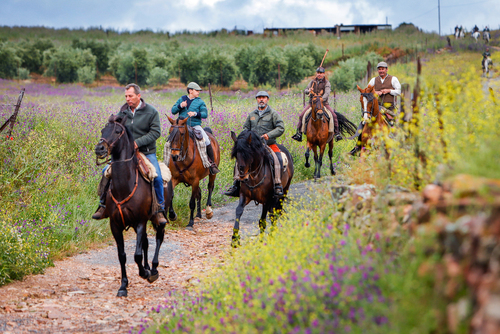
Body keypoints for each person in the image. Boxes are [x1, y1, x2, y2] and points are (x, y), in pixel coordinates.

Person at [92, 83, 167, 224]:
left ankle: (159, 210)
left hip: (146, 152)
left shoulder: (151, 112)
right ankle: (102, 206)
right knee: (105, 172)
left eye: (130, 96)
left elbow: (156, 132)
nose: (127, 99)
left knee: (156, 176)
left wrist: (137, 143)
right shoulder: (122, 112)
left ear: (138, 96)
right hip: (126, 154)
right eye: (126, 96)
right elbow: (116, 130)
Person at [224, 91, 285, 198]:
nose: (261, 99)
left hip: (268, 144)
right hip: (252, 147)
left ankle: (277, 184)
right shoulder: (252, 115)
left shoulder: (273, 114)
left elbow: (280, 128)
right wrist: (244, 138)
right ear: (257, 99)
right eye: (259, 98)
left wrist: (269, 135)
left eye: (264, 98)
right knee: (241, 159)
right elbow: (245, 128)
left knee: (277, 159)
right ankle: (236, 184)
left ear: (267, 99)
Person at [171, 82, 219, 175]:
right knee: (170, 142)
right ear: (190, 90)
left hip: (195, 125)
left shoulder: (200, 102)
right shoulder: (182, 99)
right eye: (197, 90)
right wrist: (180, 106)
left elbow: (205, 114)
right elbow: (173, 111)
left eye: (199, 90)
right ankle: (168, 164)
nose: (198, 92)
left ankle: (212, 165)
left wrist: (195, 114)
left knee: (207, 141)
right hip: (182, 126)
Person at [291, 67, 341, 142]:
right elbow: (305, 90)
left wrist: (320, 100)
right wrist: (308, 90)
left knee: (333, 116)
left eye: (321, 73)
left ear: (324, 74)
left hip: (323, 104)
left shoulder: (327, 83)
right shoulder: (312, 82)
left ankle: (337, 133)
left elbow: (327, 93)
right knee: (302, 115)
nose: (319, 74)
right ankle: (299, 133)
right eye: (318, 73)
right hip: (312, 104)